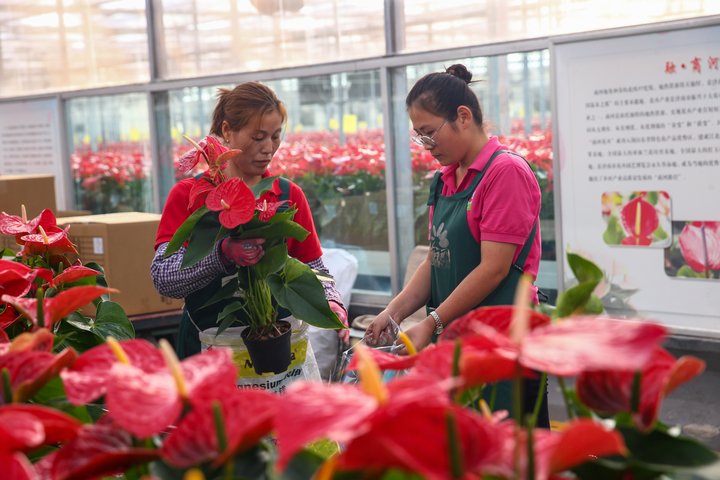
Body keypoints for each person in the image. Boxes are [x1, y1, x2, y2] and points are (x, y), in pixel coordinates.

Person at [365, 64, 548, 426]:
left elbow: (494, 268)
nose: (426, 146)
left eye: (430, 133)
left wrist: (432, 322)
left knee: (505, 450)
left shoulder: (504, 172)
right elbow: (437, 258)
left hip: (501, 341)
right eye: (420, 136)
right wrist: (395, 311)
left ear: (463, 117)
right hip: (457, 339)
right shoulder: (445, 179)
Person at [151, 82, 348, 359]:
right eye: (257, 137)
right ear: (227, 131)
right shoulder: (191, 195)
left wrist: (330, 298)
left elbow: (314, 267)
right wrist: (221, 255)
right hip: (207, 347)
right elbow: (163, 278)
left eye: (276, 136)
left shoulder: (288, 196)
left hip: (278, 347)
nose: (269, 148)